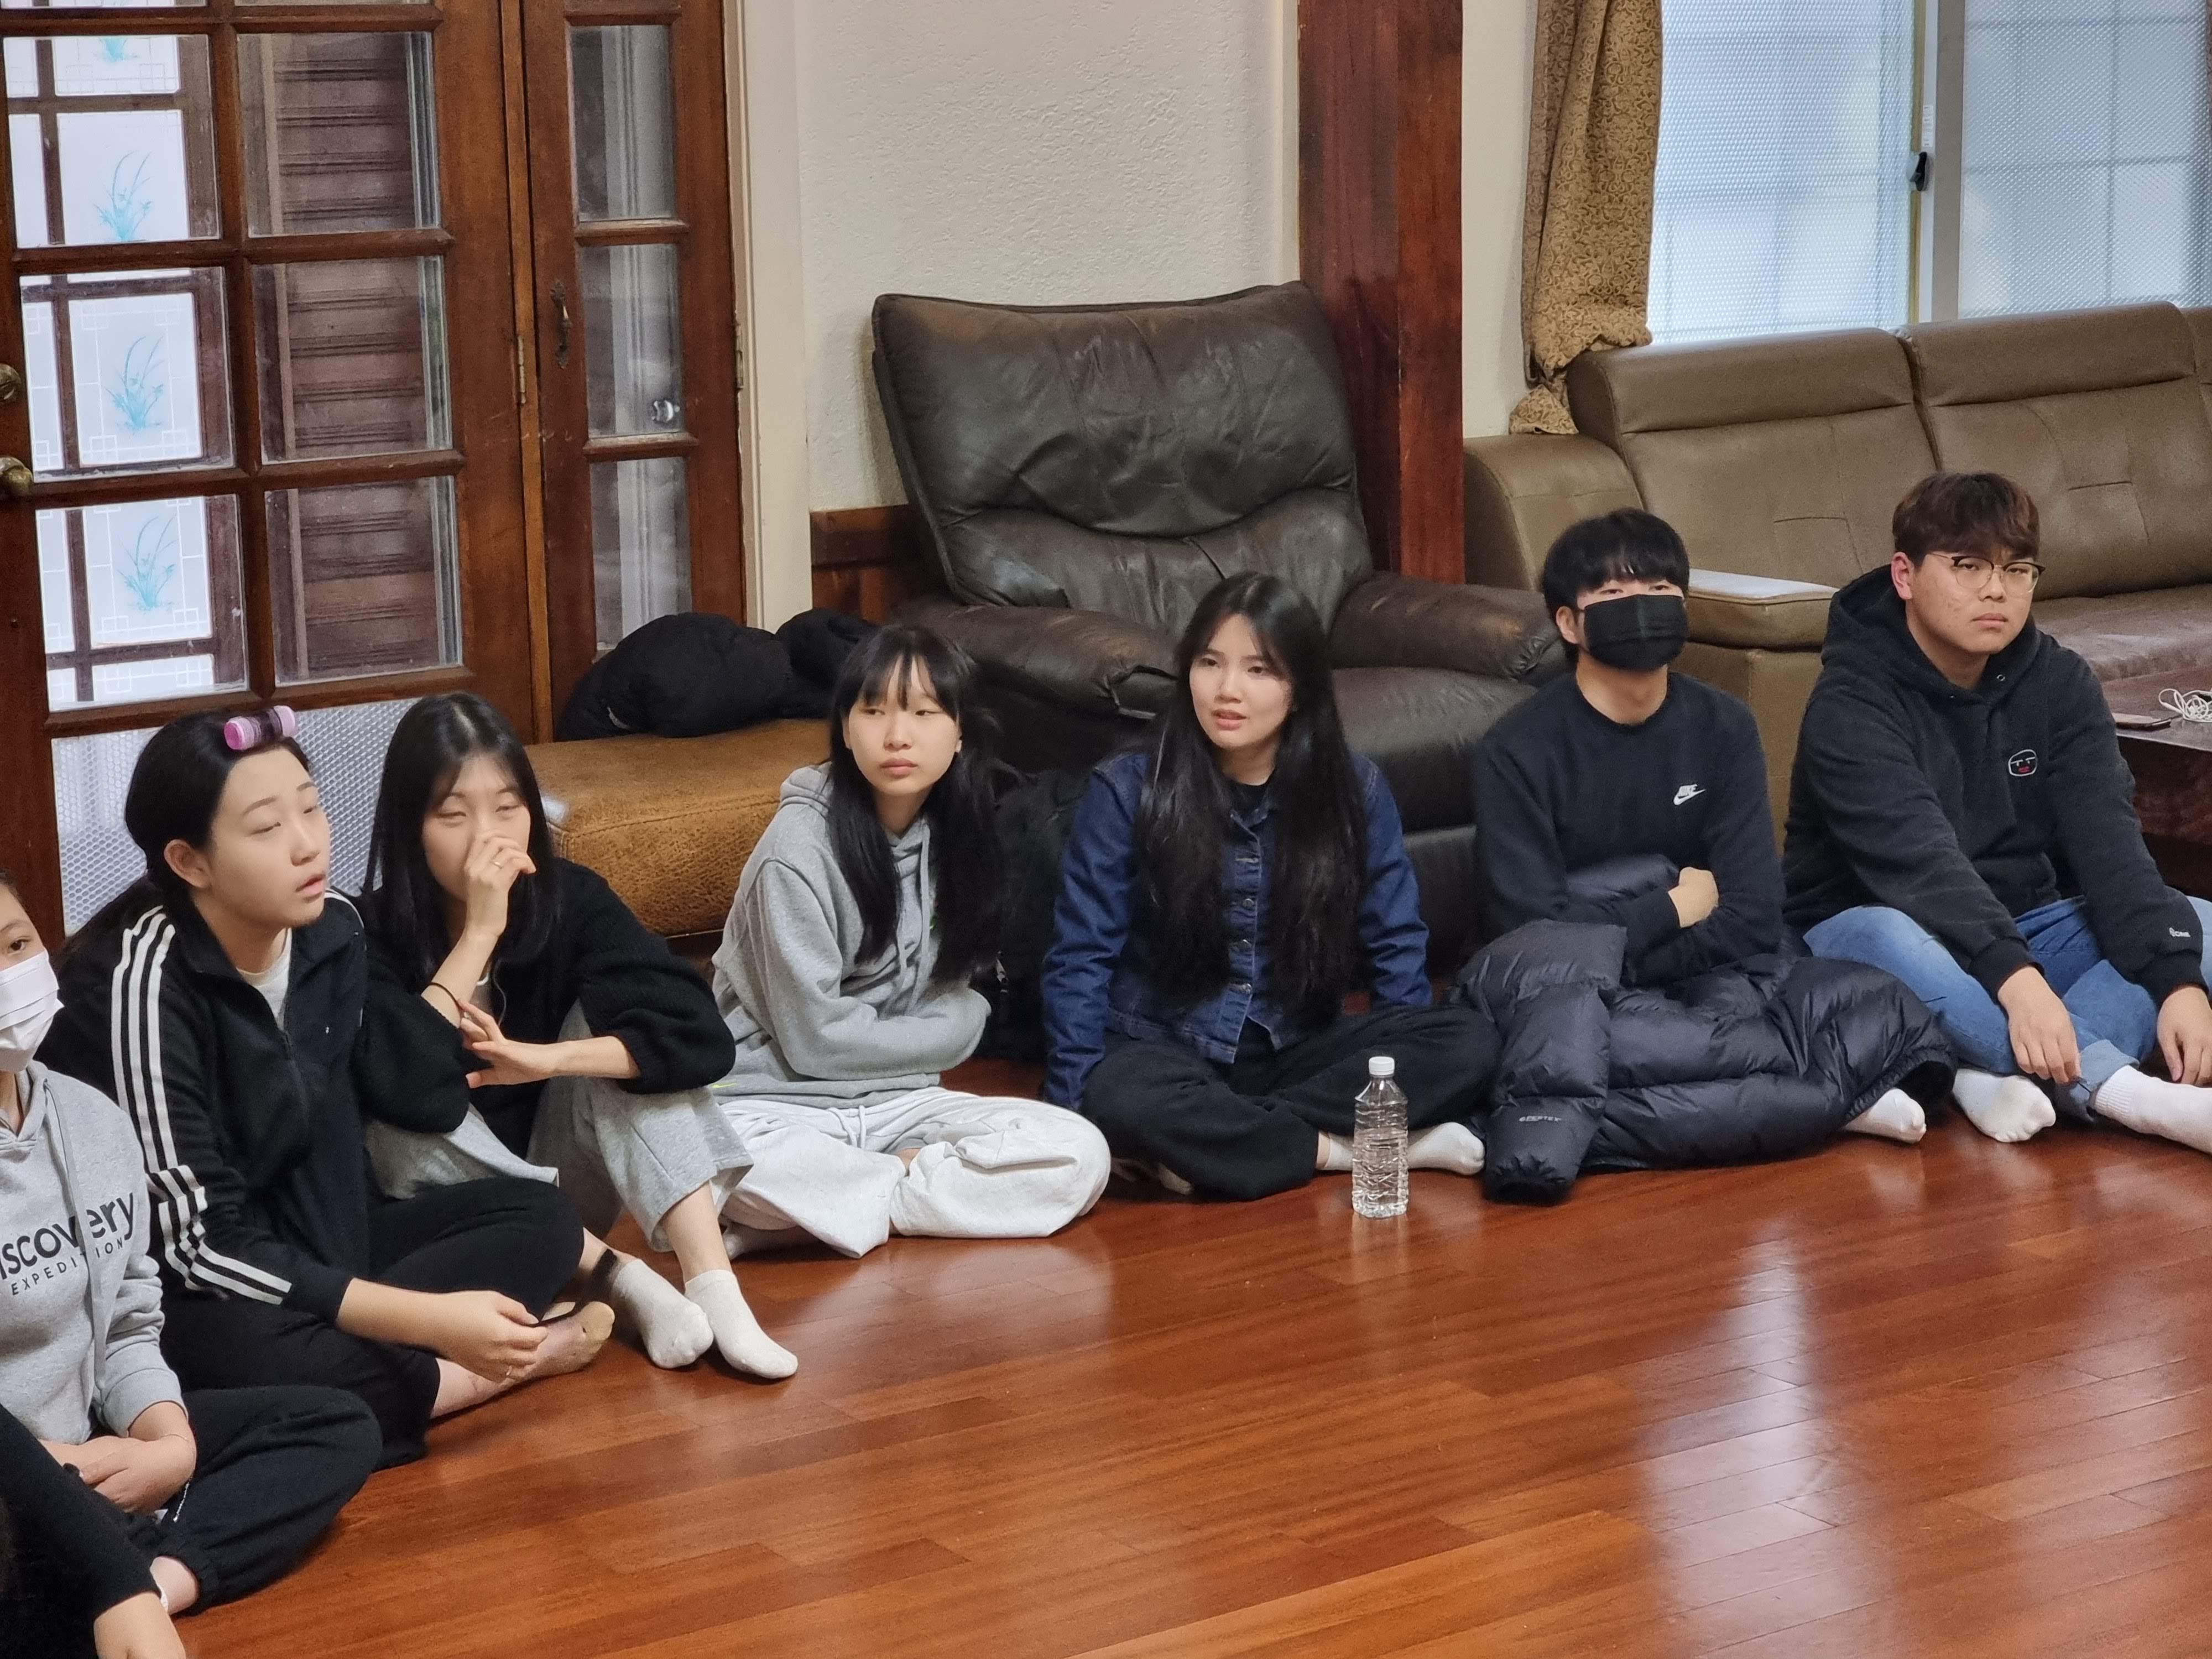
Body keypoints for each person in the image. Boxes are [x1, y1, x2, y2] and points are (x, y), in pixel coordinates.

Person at [39, 709, 604, 1470]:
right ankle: (478, 1375)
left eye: (311, 808)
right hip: (203, 1291)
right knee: (257, 1363)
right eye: (267, 828)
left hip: (324, 1250)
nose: (308, 843)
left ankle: (395, 1376)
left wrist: (371, 1300)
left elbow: (377, 1107)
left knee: (545, 1220)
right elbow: (200, 1246)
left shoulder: (333, 928)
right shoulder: (140, 985)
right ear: (190, 861)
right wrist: (431, 1320)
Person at [356, 693, 790, 1380]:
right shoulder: (365, 932)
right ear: (411, 827)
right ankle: (618, 1276)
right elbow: (401, 1089)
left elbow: (699, 1037)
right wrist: (480, 932)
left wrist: (549, 1061)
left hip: (564, 1180)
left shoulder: (570, 899)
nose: (487, 838)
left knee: (626, 1038)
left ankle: (714, 1286)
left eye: (507, 808)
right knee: (392, 1116)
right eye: (454, 815)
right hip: (464, 1213)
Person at [1475, 509, 1936, 1146]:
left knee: (1875, 996)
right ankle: (1827, 1095)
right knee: (1583, 1035)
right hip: (1584, 991)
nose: (1642, 607)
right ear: (1568, 622)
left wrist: (1632, 947)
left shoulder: (1724, 724)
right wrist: (1674, 907)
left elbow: (1753, 913)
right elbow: (1532, 936)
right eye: (1614, 593)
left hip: (1712, 971)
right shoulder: (1516, 749)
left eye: (1660, 589)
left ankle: (1797, 1090)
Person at [0, 869, 378, 1640]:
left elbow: (127, 1321)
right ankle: (110, 1574)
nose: (10, 977)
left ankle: (146, 1583)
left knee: (335, 1426)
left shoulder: (91, 1119)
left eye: (15, 945)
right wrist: (57, 1473)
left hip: (94, 1446)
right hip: (18, 1481)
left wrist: (167, 1445)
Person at [1787, 471, 2212, 1147]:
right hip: (1879, 934)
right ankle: (2129, 1096)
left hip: (2025, 922)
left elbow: (2111, 844)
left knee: (2196, 923)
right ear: (1904, 575)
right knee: (1882, 932)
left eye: (2017, 570)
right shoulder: (1849, 703)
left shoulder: (2060, 682)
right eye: (1967, 566)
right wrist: (2018, 985)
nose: (1996, 589)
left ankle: (1976, 1065)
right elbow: (1920, 867)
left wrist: (2178, 979)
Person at [1041, 572, 1497, 1201]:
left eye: (1259, 670)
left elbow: (1395, 940)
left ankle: (1225, 1142)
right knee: (1120, 1097)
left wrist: (1401, 1069)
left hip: (1297, 1048)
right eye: (1209, 663)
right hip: (1164, 1046)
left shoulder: (1353, 790)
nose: (1227, 690)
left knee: (1470, 1043)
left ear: (1300, 687)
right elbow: (1080, 956)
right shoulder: (1127, 788)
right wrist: (1075, 1111)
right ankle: (1345, 1149)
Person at [710, 625, 1110, 1261]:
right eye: (874, 712)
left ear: (959, 733)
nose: (898, 736)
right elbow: (814, 1041)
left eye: (924, 713)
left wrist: (952, 1024)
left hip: (903, 1104)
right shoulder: (796, 850)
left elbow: (958, 995)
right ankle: (890, 1189)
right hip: (775, 1105)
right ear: (845, 730)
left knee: (1081, 1153)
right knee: (720, 1165)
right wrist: (956, 1027)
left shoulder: (962, 838)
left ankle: (818, 1215)